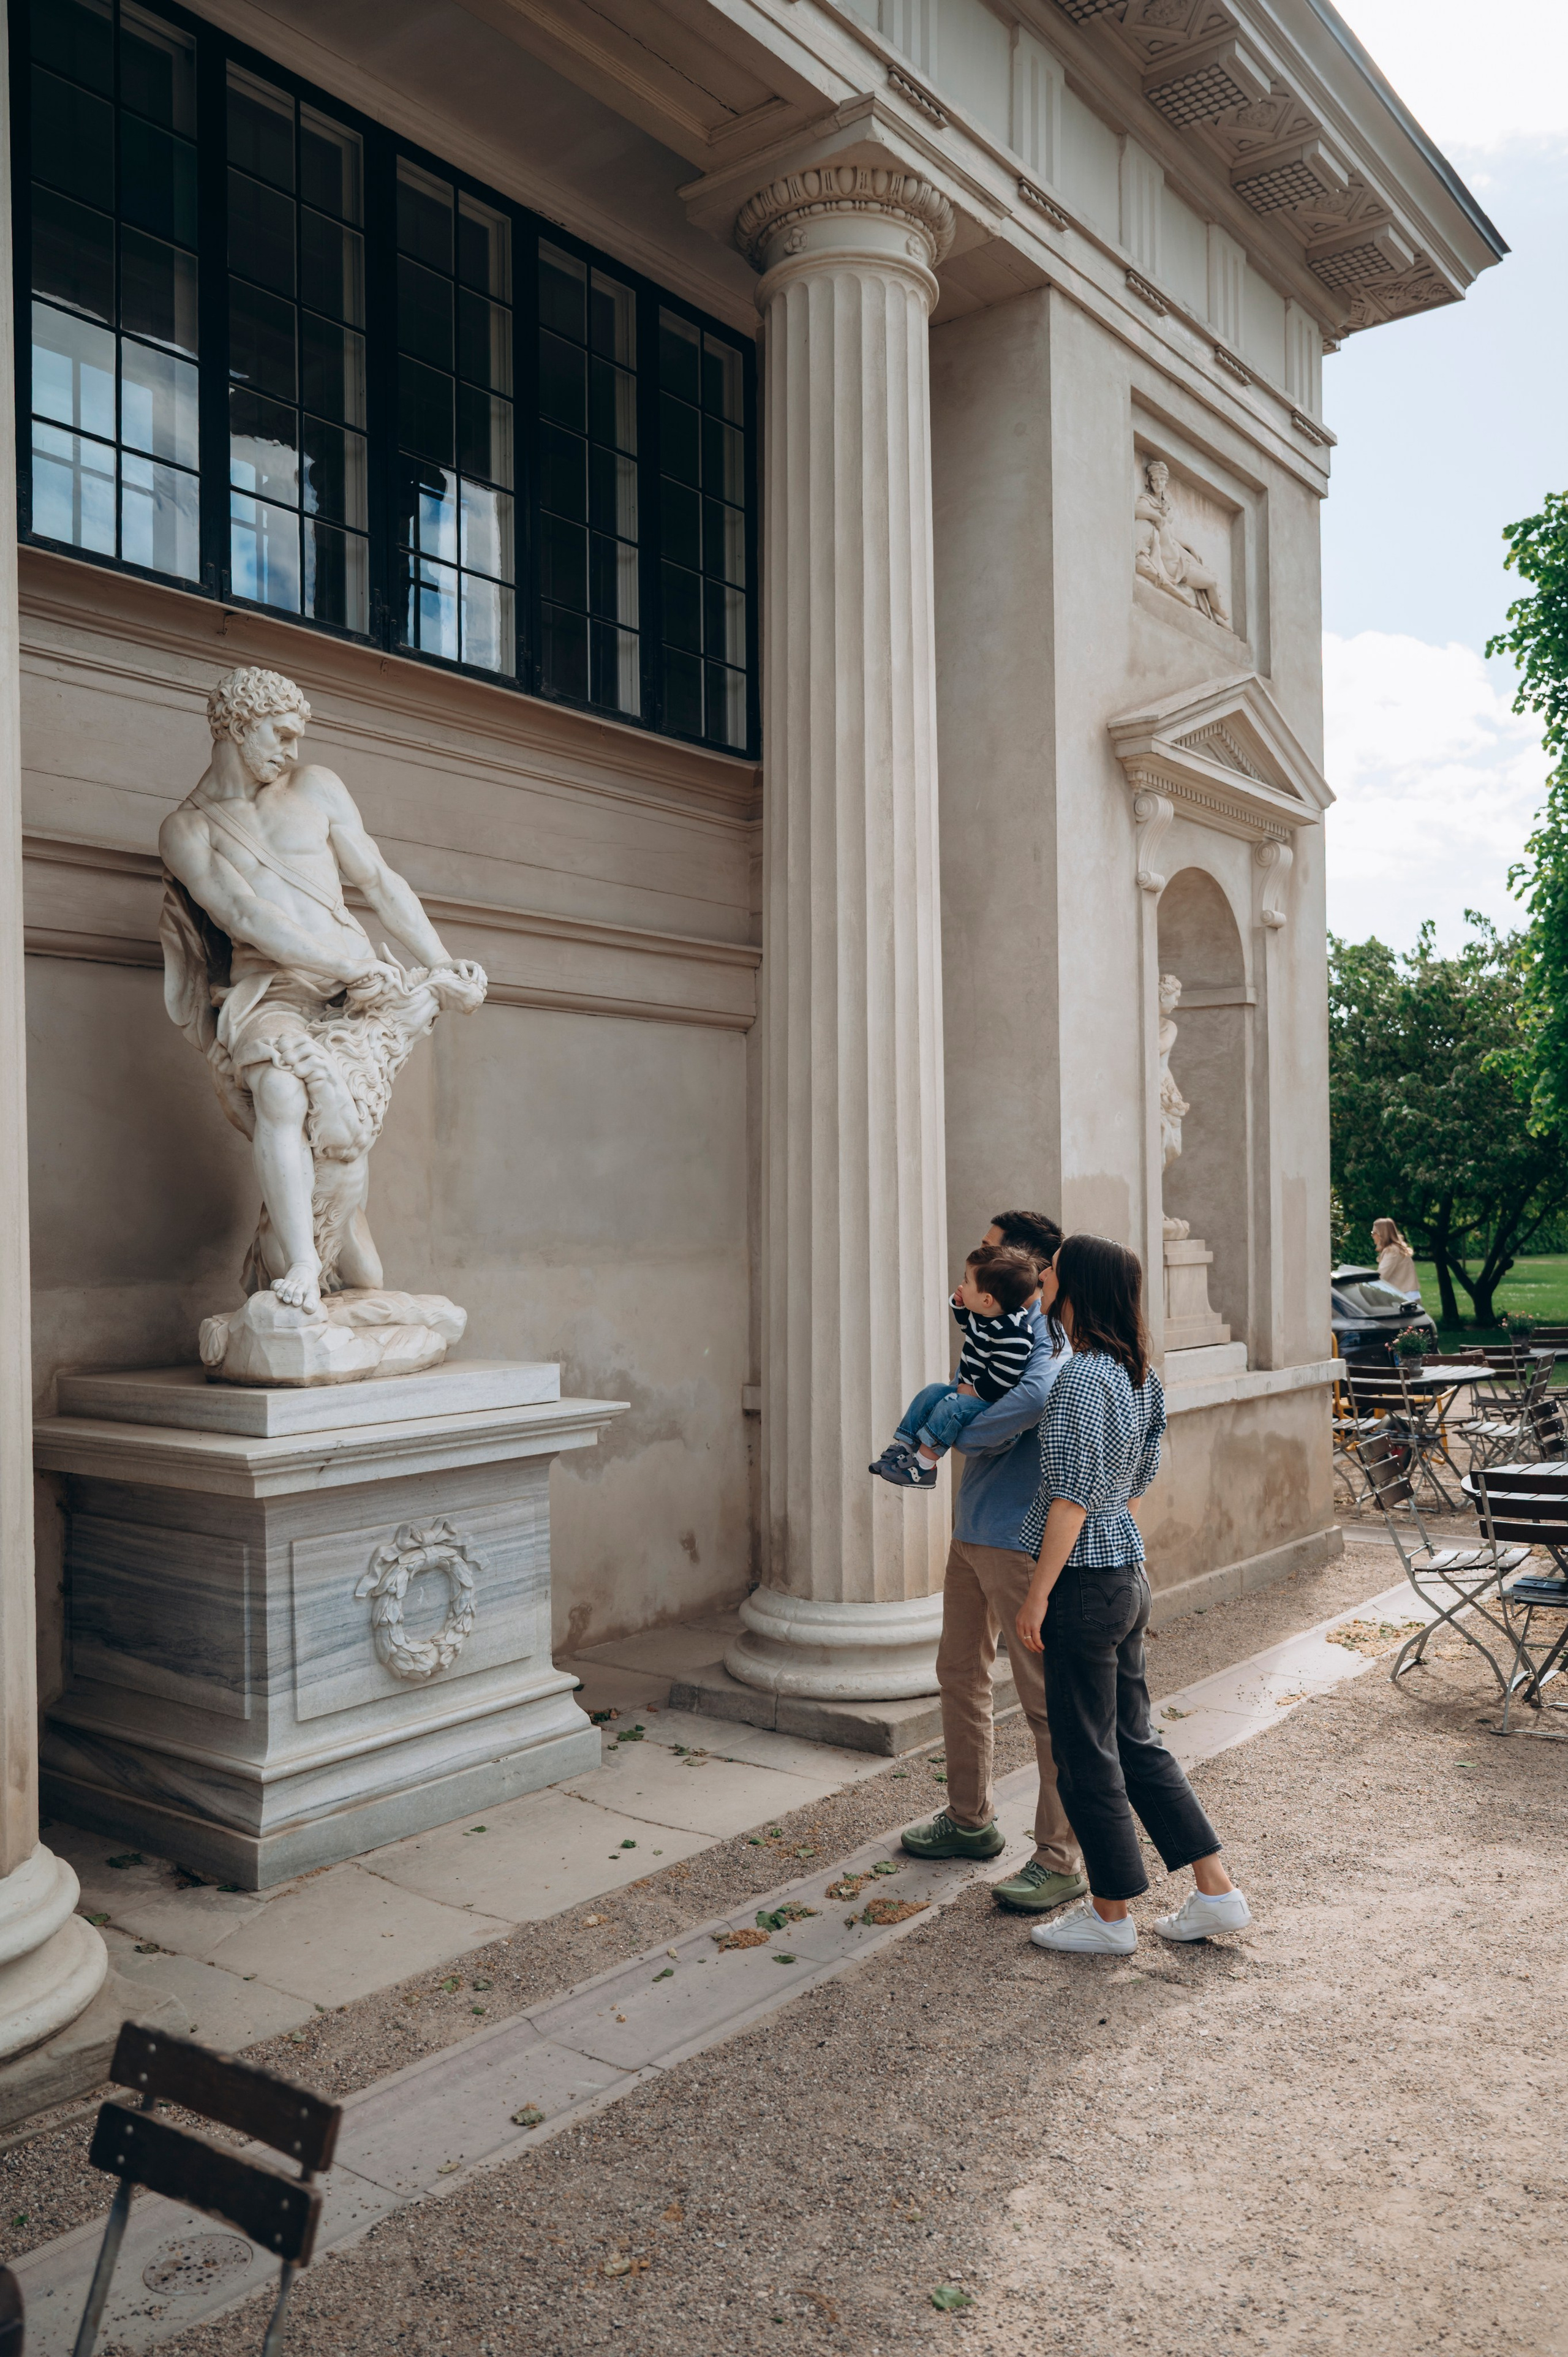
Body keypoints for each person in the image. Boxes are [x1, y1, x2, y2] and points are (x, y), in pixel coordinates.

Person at [1014, 1233, 1251, 1955]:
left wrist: (1036, 1596)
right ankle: (1216, 1891)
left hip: (1086, 1584)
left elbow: (1072, 1499)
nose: (1042, 1277)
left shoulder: (1083, 1376)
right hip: (1124, 1573)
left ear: (1075, 1283)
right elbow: (1137, 1480)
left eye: (1051, 1268)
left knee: (1084, 1755)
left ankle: (1109, 1915)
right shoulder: (1137, 1370)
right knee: (1133, 1741)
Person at [901, 1210, 1087, 1917]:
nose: (975, 1260)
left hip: (1017, 1540)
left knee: (1043, 1704)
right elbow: (960, 1405)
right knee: (958, 1672)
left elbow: (988, 1422)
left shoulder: (1047, 1349)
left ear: (1035, 1272)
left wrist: (951, 1424)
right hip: (972, 1529)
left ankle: (1057, 1858)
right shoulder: (994, 1331)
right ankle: (969, 1818)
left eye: (986, 1251)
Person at [869, 1244, 1040, 1488]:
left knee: (951, 1406)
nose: (962, 1284)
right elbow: (967, 1324)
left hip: (990, 1403)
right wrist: (960, 1304)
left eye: (967, 1281)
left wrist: (975, 1391)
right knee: (933, 1392)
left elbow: (1004, 1378)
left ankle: (924, 1467)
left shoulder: (1014, 1333)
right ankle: (904, 1447)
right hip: (968, 1393)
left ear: (987, 1299)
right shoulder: (988, 1314)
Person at [1372, 1218, 1420, 1301]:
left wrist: (1364, 1283)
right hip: (1409, 1296)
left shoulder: (1392, 1251)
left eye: (1374, 1232)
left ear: (1381, 1234)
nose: (1372, 1236)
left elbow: (1382, 1275)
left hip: (1405, 1298)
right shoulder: (1397, 1248)